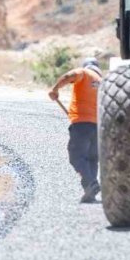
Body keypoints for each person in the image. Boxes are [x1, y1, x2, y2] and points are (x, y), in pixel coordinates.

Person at [49, 57, 103, 203]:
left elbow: (69, 76)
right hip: (97, 125)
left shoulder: (84, 73)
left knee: (76, 156)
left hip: (81, 124)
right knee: (92, 159)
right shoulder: (102, 81)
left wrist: (55, 89)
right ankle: (90, 192)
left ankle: (91, 183)